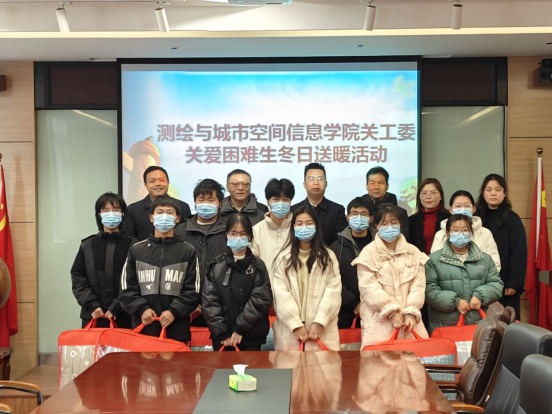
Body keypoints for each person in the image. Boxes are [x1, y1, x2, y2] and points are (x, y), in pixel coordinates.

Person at [120, 196, 200, 343]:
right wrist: (142, 309)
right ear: (151, 217)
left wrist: (174, 311)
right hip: (144, 326)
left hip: (177, 328)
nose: (164, 216)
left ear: (177, 218)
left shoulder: (188, 251)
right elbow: (126, 288)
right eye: (160, 212)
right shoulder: (136, 250)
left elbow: (193, 290)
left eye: (169, 212)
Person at [352, 203, 429, 347]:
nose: (389, 227)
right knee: (379, 360)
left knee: (414, 360)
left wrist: (410, 312)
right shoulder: (368, 253)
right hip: (378, 324)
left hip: (410, 323)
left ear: (400, 225)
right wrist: (391, 311)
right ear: (376, 226)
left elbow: (418, 286)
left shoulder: (413, 252)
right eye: (384, 223)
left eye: (394, 222)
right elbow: (368, 288)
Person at [271, 206, 342, 351]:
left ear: (316, 226)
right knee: (291, 365)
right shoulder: (282, 258)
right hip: (290, 330)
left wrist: (320, 321)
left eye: (309, 223)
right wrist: (295, 324)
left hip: (322, 329)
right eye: (299, 224)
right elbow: (280, 294)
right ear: (293, 227)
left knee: (323, 365)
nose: (304, 227)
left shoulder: (328, 257)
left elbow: (333, 291)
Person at [202, 214, 272, 351]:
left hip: (251, 335)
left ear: (250, 237)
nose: (238, 237)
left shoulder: (258, 266)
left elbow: (260, 299)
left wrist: (240, 329)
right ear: (227, 235)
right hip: (223, 338)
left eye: (243, 234)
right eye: (233, 233)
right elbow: (209, 301)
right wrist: (222, 332)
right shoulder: (215, 265)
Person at [425, 214, 504, 334]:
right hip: (444, 325)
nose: (461, 234)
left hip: (477, 324)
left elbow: (496, 284)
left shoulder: (485, 259)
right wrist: (455, 302)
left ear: (471, 233)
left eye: (465, 230)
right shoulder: (433, 260)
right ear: (447, 234)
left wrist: (480, 295)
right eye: (455, 230)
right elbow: (429, 290)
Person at [71, 192, 138, 329]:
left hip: (125, 315)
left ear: (123, 213)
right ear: (99, 214)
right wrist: (92, 305)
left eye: (116, 210)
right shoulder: (87, 245)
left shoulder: (135, 245)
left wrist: (117, 306)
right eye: (105, 210)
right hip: (93, 315)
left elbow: (137, 280)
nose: (111, 214)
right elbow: (78, 278)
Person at [175, 179, 228, 326]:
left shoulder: (230, 229)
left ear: (220, 203)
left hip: (222, 306)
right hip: (186, 307)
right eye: (201, 199)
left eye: (211, 200)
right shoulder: (180, 231)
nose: (205, 204)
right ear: (194, 202)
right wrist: (185, 303)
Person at [475, 174, 527, 319]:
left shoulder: (513, 218)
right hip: (478, 280)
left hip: (504, 282)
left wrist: (514, 283)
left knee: (505, 322)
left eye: (498, 189)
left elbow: (519, 252)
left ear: (504, 193)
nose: (493, 193)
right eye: (489, 189)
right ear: (483, 193)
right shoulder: (475, 218)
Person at [408, 178, 451, 327]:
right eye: (424, 193)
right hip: (418, 270)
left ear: (440, 196)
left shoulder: (449, 219)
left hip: (444, 270)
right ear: (419, 196)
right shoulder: (411, 221)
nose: (428, 196)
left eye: (433, 192)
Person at [431, 190, 501, 272]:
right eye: (458, 206)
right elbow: (434, 264)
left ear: (473, 209)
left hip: (480, 279)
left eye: (467, 206)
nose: (462, 209)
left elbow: (494, 265)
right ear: (450, 210)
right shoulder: (441, 234)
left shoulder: (485, 233)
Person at [330, 197, 373, 329]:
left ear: (371, 218)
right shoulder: (336, 247)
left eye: (364, 214)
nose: (359, 217)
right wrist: (354, 303)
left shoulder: (379, 245)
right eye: (354, 214)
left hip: (376, 311)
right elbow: (332, 279)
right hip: (345, 313)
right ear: (347, 218)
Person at [124, 166, 191, 240]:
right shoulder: (133, 210)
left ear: (168, 183)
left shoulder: (183, 207)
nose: (158, 184)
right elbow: (129, 238)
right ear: (145, 185)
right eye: (152, 181)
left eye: (161, 180)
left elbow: (188, 236)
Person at [291, 163, 347, 246]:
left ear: (326, 184)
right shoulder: (293, 210)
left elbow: (339, 241)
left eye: (320, 179)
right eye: (311, 179)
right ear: (304, 185)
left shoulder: (337, 210)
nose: (316, 182)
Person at [251, 178, 295, 280]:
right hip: (265, 286)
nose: (281, 203)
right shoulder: (256, 231)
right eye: (276, 199)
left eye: (285, 200)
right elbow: (253, 265)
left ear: (290, 202)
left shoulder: (298, 229)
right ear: (268, 202)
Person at [362, 166, 410, 240]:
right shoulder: (359, 210)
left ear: (387, 186)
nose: (376, 187)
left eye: (380, 183)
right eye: (372, 183)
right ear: (366, 186)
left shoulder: (401, 213)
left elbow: (404, 240)